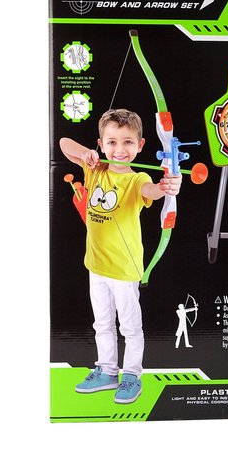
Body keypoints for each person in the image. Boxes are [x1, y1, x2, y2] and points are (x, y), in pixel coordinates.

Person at [59, 108, 182, 404]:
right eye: (112, 142)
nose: (120, 149)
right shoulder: (95, 169)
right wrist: (86, 153)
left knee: (129, 326)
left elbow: (151, 190)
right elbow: (64, 143)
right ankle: (107, 370)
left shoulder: (137, 179)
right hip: (96, 266)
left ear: (140, 146)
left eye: (128, 142)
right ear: (101, 144)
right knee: (102, 323)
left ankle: (132, 376)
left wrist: (166, 186)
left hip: (124, 270)